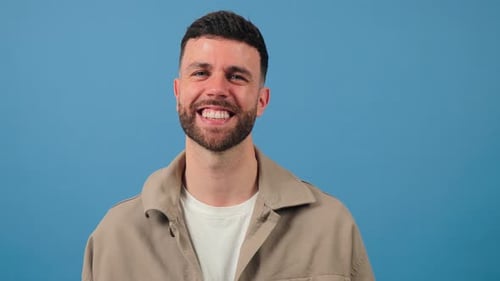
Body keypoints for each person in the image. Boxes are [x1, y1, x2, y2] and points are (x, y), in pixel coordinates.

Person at [82, 10, 375, 281]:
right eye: (200, 73)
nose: (217, 89)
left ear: (262, 100)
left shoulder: (331, 227)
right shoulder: (115, 237)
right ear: (177, 92)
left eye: (236, 76)